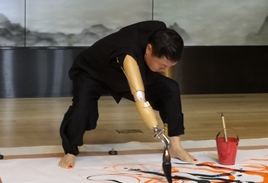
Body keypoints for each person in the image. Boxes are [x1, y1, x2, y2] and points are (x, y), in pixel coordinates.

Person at [59, 20, 196, 169]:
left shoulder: (160, 33)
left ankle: (175, 146)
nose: (164, 70)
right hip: (93, 72)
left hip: (124, 75)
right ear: (149, 49)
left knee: (170, 88)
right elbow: (140, 101)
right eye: (163, 65)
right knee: (82, 108)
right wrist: (155, 127)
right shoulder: (127, 53)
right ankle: (70, 151)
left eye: (170, 66)